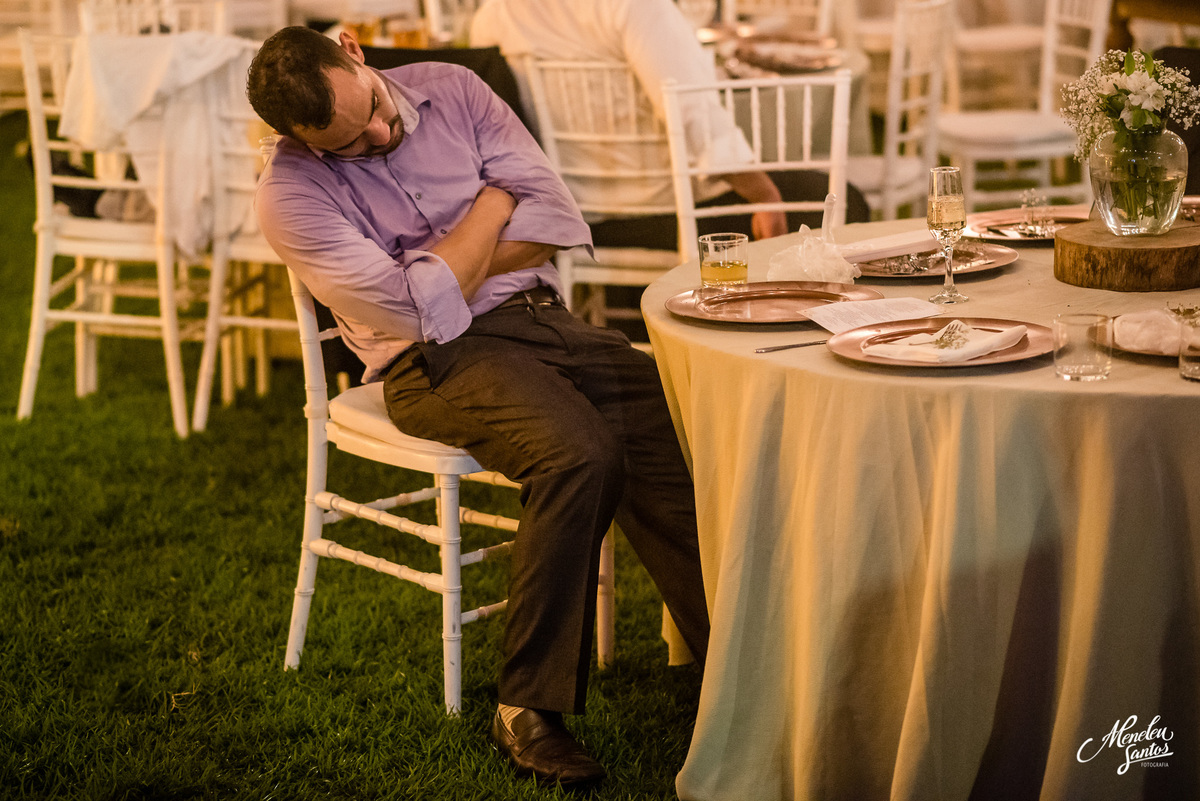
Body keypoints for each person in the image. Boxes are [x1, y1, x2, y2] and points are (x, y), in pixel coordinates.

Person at [246, 26, 710, 789]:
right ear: (294, 137)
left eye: (368, 112)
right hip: (433, 361)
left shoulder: (455, 88)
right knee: (580, 453)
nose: (375, 134)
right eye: (346, 143)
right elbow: (407, 309)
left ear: (354, 50)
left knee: (682, 419)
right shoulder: (289, 191)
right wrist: (496, 202)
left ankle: (731, 659)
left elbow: (556, 216)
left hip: (543, 318)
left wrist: (445, 262)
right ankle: (525, 706)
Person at [470, 0, 869, 251]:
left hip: (578, 213)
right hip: (668, 208)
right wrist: (764, 191)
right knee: (840, 198)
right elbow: (693, 114)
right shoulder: (637, 9)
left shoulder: (493, 14)